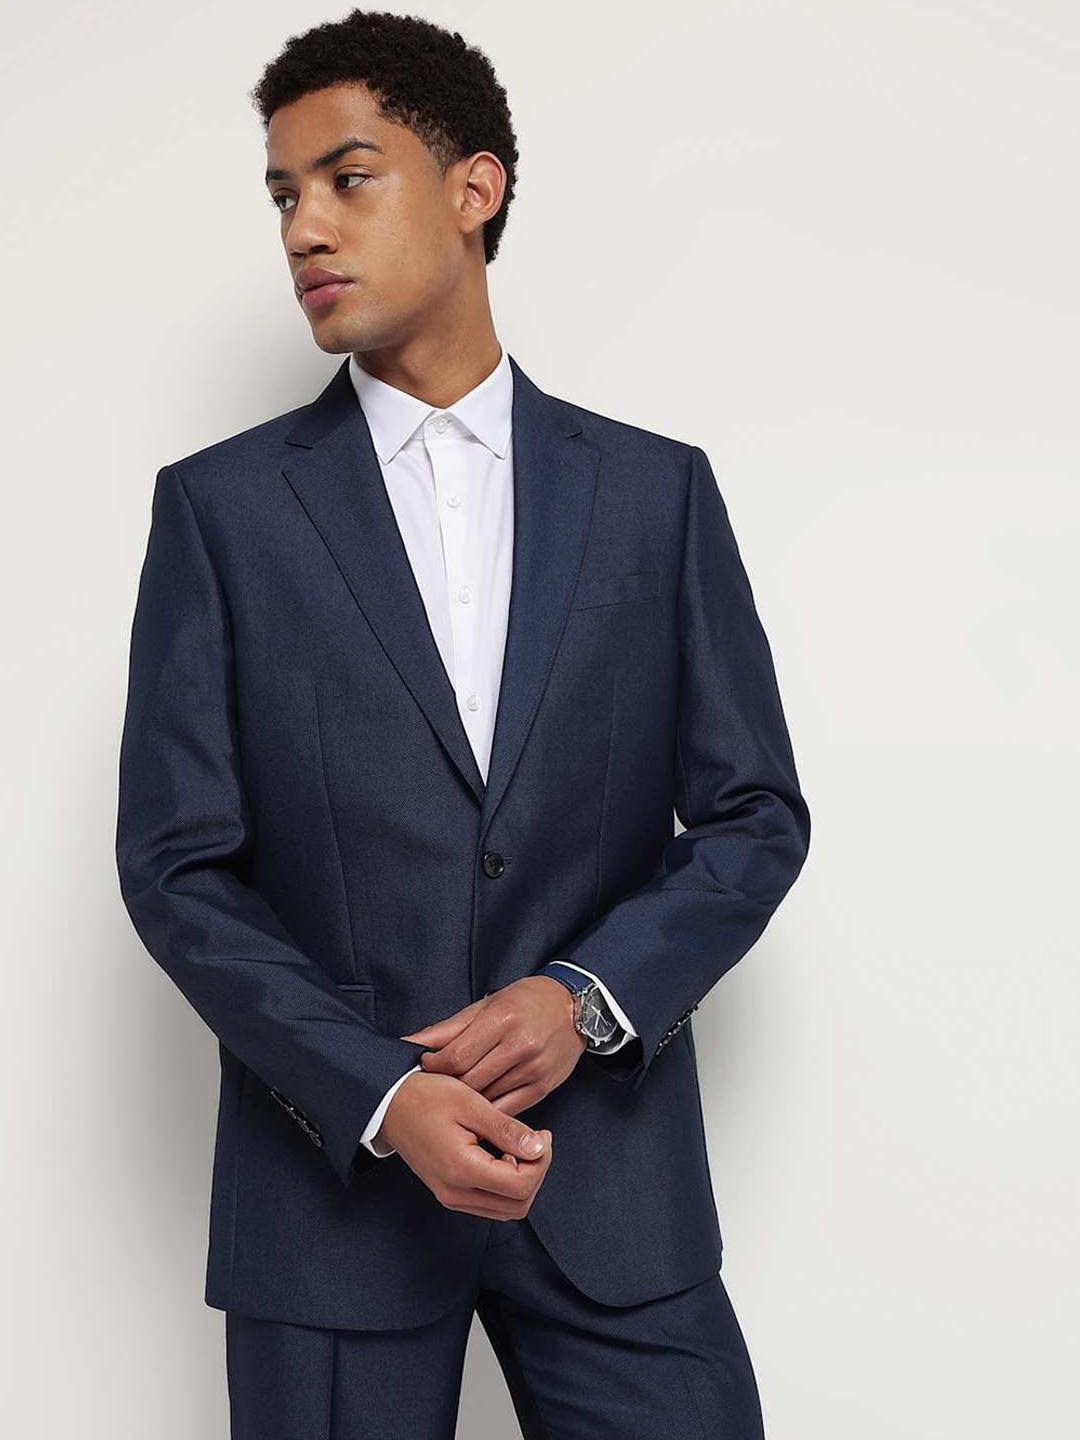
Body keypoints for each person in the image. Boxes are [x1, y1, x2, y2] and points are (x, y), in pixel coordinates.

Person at [115, 10, 811, 1437]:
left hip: (613, 1196)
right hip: (332, 1204)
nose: (305, 228)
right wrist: (378, 1092)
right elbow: (178, 868)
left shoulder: (655, 495)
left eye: (347, 177)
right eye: (282, 196)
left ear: (473, 188)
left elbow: (754, 815)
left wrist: (584, 999)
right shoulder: (223, 512)